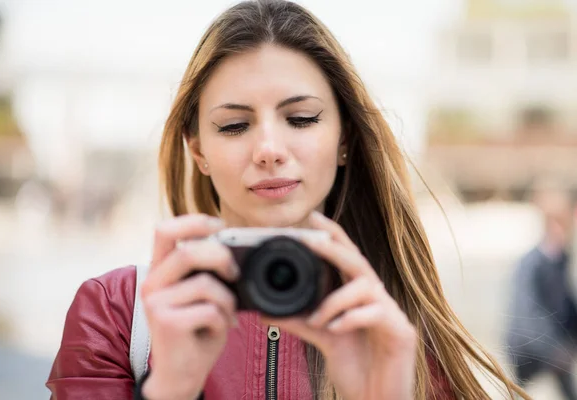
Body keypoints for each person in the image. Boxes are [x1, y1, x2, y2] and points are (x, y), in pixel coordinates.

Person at [46, 1, 529, 399]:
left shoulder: (398, 333)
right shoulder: (115, 313)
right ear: (198, 150)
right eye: (234, 125)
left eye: (300, 119)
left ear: (345, 138)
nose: (269, 150)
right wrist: (170, 387)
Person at [505, 188, 577, 399]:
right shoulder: (531, 264)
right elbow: (527, 314)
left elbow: (566, 308)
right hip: (528, 348)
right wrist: (555, 349)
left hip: (553, 345)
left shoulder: (560, 260)